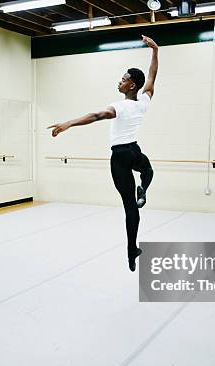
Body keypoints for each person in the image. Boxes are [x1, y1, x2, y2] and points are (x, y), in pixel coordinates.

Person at [48, 35, 158, 271]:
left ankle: (131, 249)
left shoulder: (118, 106)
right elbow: (151, 78)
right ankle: (144, 189)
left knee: (129, 206)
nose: (120, 82)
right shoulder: (143, 103)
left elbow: (96, 116)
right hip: (134, 151)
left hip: (119, 156)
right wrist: (155, 51)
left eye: (124, 79)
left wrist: (68, 123)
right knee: (147, 170)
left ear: (131, 85)